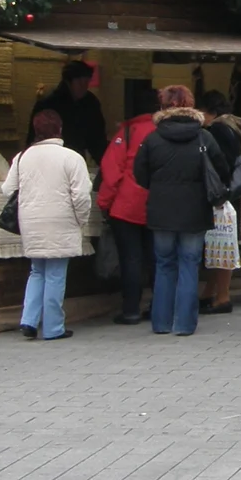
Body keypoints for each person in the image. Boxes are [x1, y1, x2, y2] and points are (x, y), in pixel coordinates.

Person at [133, 85, 231, 337]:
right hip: (195, 211)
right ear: (190, 105)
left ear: (164, 107)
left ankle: (161, 323)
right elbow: (221, 170)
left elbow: (140, 175)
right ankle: (185, 324)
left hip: (161, 211)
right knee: (189, 263)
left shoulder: (152, 139)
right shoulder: (204, 137)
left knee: (165, 264)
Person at [2, 110, 92, 342]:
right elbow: (81, 195)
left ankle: (29, 320)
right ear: (59, 129)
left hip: (31, 221)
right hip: (61, 221)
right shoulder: (71, 158)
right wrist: (81, 220)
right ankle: (53, 327)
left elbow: (7, 189)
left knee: (36, 271)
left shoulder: (23, 157)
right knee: (55, 274)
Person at [97, 87, 159, 324]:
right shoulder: (162, 131)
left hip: (127, 206)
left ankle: (131, 310)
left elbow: (111, 171)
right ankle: (158, 307)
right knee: (157, 259)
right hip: (157, 206)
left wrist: (104, 203)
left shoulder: (127, 133)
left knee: (131, 259)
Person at [197, 90, 241, 316]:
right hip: (229, 195)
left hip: (220, 196)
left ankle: (222, 297)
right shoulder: (230, 128)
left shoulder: (217, 130)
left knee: (221, 245)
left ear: (212, 112)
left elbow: (219, 164)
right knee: (220, 245)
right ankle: (211, 292)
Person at [28, 60, 108, 163]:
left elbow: (97, 139)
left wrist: (106, 163)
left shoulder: (90, 103)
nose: (84, 87)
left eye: (86, 83)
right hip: (49, 159)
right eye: (80, 83)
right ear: (68, 82)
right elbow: (34, 137)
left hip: (76, 159)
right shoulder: (48, 103)